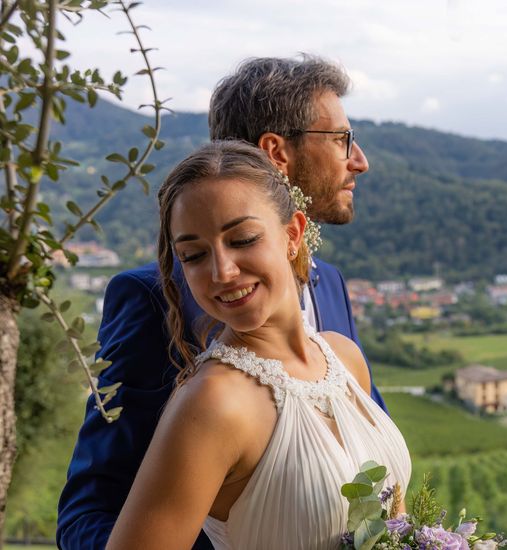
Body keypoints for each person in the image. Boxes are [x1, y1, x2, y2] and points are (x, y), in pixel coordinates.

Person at [57, 56, 379, 549]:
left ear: (292, 236)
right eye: (341, 139)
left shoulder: (330, 286)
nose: (358, 160)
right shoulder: (148, 300)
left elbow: (370, 466)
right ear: (277, 152)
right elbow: (90, 510)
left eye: (245, 241)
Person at [105, 140, 410, 549]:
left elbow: (392, 519)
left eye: (243, 239)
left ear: (293, 233)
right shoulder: (212, 403)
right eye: (193, 255)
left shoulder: (344, 356)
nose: (222, 272)